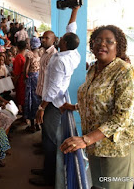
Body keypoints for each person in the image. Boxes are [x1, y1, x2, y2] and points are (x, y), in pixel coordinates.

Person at [60, 25, 134, 189]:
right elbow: (95, 100)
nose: (102, 44)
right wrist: (73, 107)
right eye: (97, 40)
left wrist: (85, 139)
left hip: (118, 147)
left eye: (109, 41)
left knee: (113, 186)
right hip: (95, 144)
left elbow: (122, 117)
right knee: (98, 185)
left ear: (118, 46)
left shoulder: (125, 72)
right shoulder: (94, 69)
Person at [31, 23, 80, 187]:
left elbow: (53, 89)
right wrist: (74, 11)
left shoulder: (60, 61)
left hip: (52, 104)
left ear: (64, 43)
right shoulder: (73, 53)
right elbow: (71, 31)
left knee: (50, 141)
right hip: (54, 101)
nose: (59, 39)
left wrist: (41, 108)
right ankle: (46, 170)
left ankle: (49, 178)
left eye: (62, 39)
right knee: (46, 136)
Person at [23, 37, 41, 133]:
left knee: (30, 100)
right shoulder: (40, 54)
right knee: (37, 100)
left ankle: (32, 125)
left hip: (30, 79)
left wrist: (24, 78)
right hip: (38, 79)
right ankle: (38, 124)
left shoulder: (29, 55)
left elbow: (26, 69)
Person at [13, 41, 27, 112]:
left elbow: (17, 73)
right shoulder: (25, 56)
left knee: (21, 97)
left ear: (17, 47)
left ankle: (23, 116)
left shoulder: (18, 57)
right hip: (25, 78)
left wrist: (14, 83)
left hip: (21, 79)